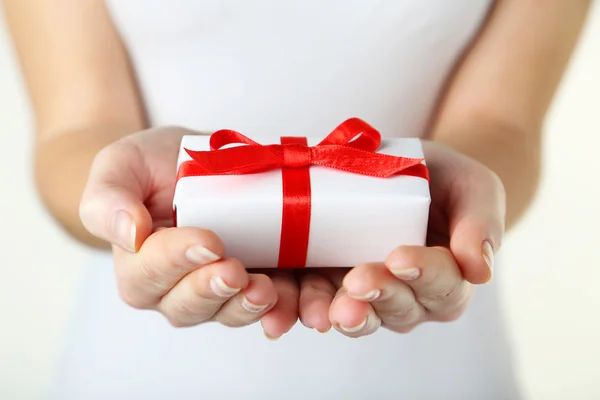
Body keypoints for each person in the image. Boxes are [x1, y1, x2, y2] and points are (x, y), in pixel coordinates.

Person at [4, 0, 590, 399]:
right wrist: (124, 210)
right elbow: (74, 130)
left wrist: (465, 199)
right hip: (141, 365)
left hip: (436, 354)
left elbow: (503, 126)